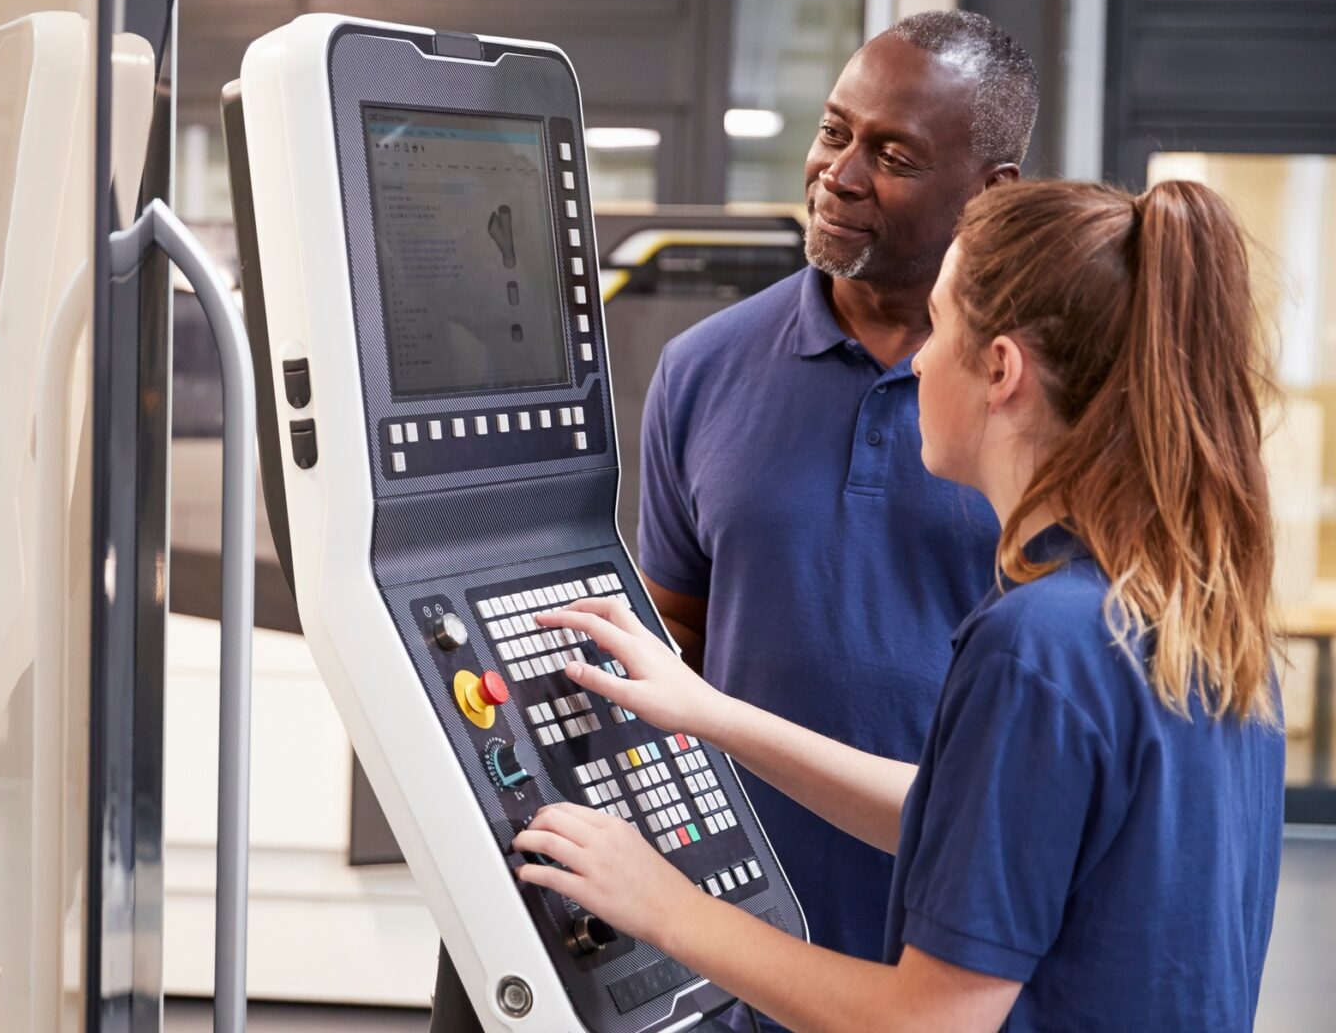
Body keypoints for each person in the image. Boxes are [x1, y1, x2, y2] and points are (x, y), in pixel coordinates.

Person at [515, 179, 1285, 1031]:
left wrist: (662, 905)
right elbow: (963, 817)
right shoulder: (1175, 606)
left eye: (942, 327)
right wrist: (711, 714)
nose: (916, 361)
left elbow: (923, 1024)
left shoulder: (1035, 647)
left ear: (1000, 371)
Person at [430, 10, 1039, 1030]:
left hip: (961, 950)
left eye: (891, 155)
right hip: (742, 936)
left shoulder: (1029, 399)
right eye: (834, 130)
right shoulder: (705, 368)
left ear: (992, 193)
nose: (839, 174)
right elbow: (673, 643)